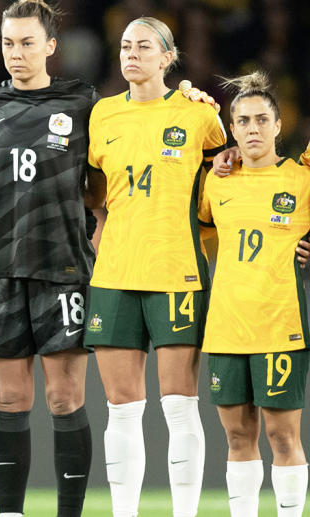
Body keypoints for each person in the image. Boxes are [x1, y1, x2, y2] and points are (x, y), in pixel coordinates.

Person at [85, 16, 227, 517]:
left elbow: (226, 182)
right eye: (125, 45)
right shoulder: (101, 114)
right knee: (121, 410)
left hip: (176, 270)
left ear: (168, 57)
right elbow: (93, 189)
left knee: (179, 407)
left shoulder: (198, 115)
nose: (131, 54)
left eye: (144, 46)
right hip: (114, 273)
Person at [0, 2, 102, 516]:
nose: (16, 54)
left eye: (27, 43)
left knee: (65, 400)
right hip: (0, 267)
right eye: (8, 43)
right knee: (8, 402)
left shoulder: (84, 100)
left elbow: (112, 164)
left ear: (50, 45)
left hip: (63, 266)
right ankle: (10, 513)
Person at [198, 71, 308, 517]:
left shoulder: (301, 179)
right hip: (225, 327)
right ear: (232, 127)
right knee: (238, 438)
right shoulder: (216, 180)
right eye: (242, 121)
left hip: (280, 324)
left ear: (279, 125)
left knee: (283, 437)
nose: (253, 129)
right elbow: (204, 241)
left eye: (262, 119)